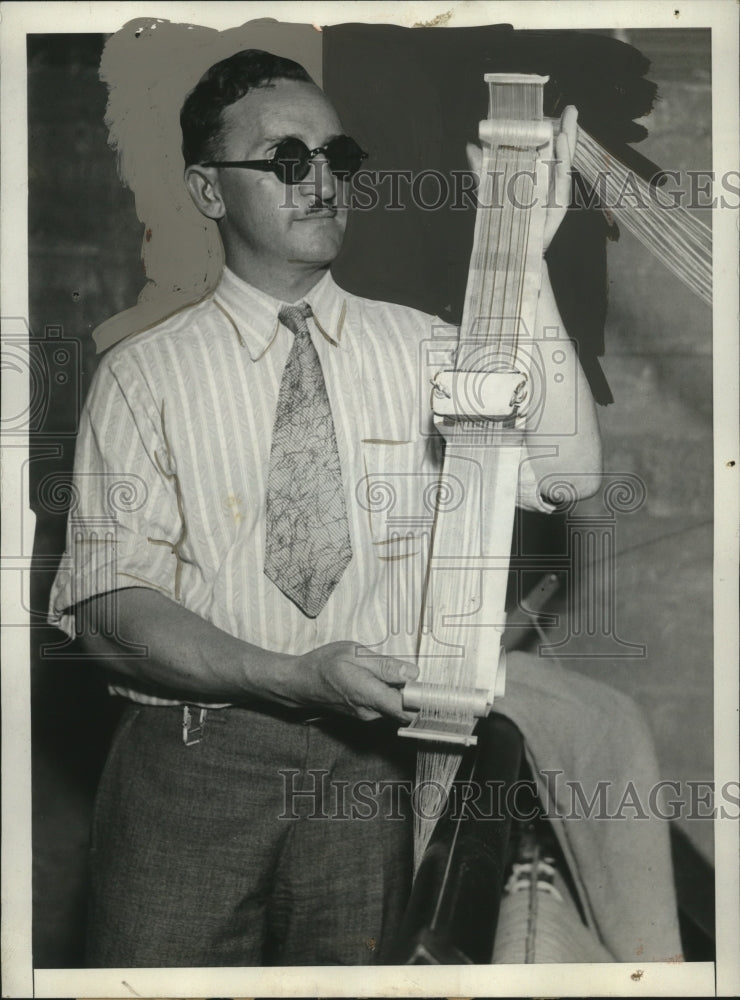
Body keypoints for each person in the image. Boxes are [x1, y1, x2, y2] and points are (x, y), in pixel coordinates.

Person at [48, 48, 677, 967]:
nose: (321, 182)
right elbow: (108, 605)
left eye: (336, 158)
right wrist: (289, 675)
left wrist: (522, 256)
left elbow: (567, 472)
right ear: (208, 190)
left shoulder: (425, 350)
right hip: (189, 769)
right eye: (286, 160)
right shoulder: (144, 375)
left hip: (370, 776)